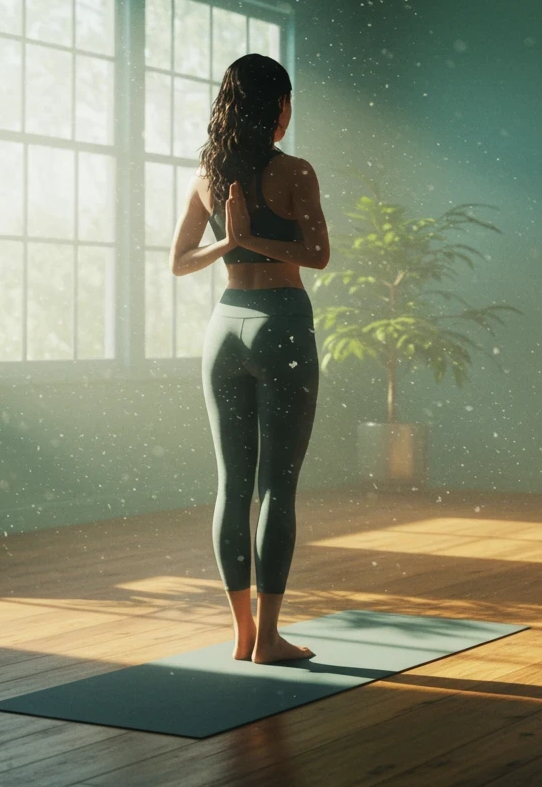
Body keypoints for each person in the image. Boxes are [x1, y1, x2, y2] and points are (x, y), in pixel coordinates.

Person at [168, 54, 330, 664]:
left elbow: (181, 261)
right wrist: (252, 239)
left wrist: (228, 242)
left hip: (224, 330)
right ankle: (267, 638)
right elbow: (317, 254)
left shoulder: (207, 176)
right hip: (281, 324)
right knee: (277, 490)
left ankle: (241, 636)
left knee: (232, 488)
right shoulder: (296, 171)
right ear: (279, 107)